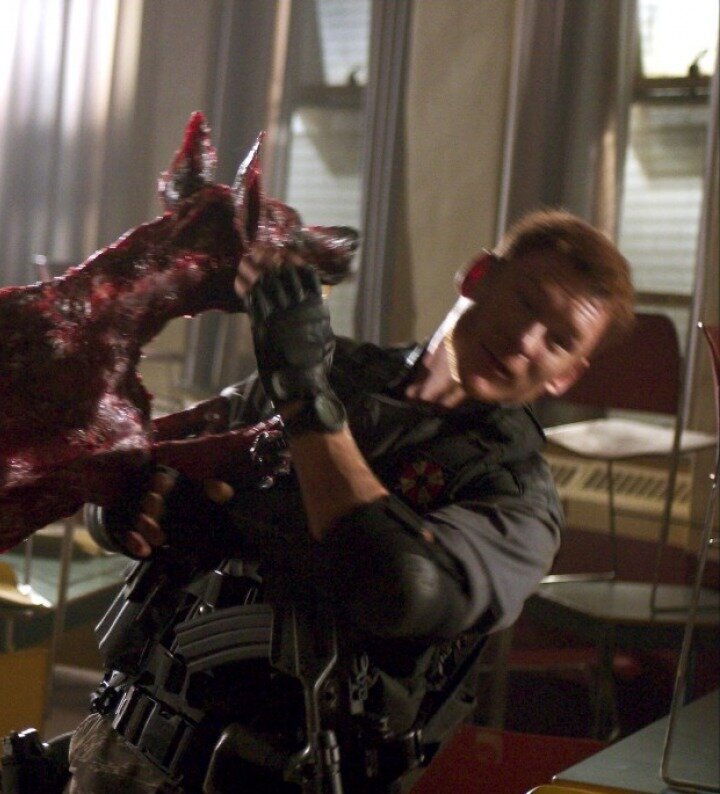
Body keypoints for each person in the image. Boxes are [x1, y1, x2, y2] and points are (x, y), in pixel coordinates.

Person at [62, 210, 635, 793]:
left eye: (559, 340)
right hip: (118, 749)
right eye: (525, 302)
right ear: (478, 276)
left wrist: (304, 397)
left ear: (567, 377)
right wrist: (128, 511)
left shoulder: (515, 497)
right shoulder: (329, 369)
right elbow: (124, 477)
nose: (525, 341)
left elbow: (399, 589)